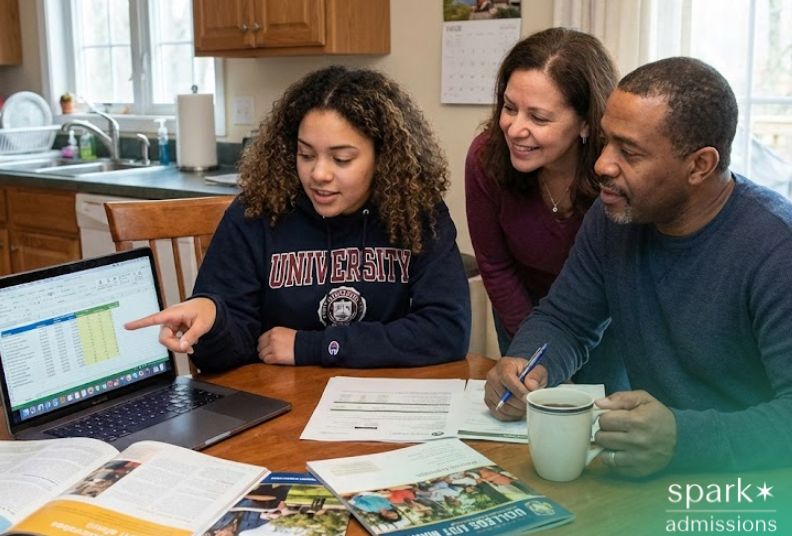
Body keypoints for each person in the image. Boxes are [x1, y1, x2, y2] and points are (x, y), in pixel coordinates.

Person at [484, 56, 792, 477]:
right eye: (606, 141)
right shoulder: (616, 216)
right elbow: (567, 319)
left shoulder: (777, 250)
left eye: (629, 152)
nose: (602, 165)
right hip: (651, 474)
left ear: (699, 165)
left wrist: (682, 438)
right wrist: (527, 363)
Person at [126, 65, 471, 371]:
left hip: (384, 406)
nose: (318, 174)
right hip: (280, 412)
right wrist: (213, 319)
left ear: (383, 157)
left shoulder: (415, 212)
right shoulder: (257, 213)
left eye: (342, 159)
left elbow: (446, 331)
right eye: (306, 154)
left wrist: (312, 346)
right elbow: (224, 357)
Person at [464, 28, 626, 390]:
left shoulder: (616, 174)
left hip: (605, 318)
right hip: (522, 311)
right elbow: (495, 265)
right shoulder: (485, 157)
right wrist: (537, 357)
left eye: (538, 118)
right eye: (509, 108)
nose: (515, 129)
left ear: (586, 122)